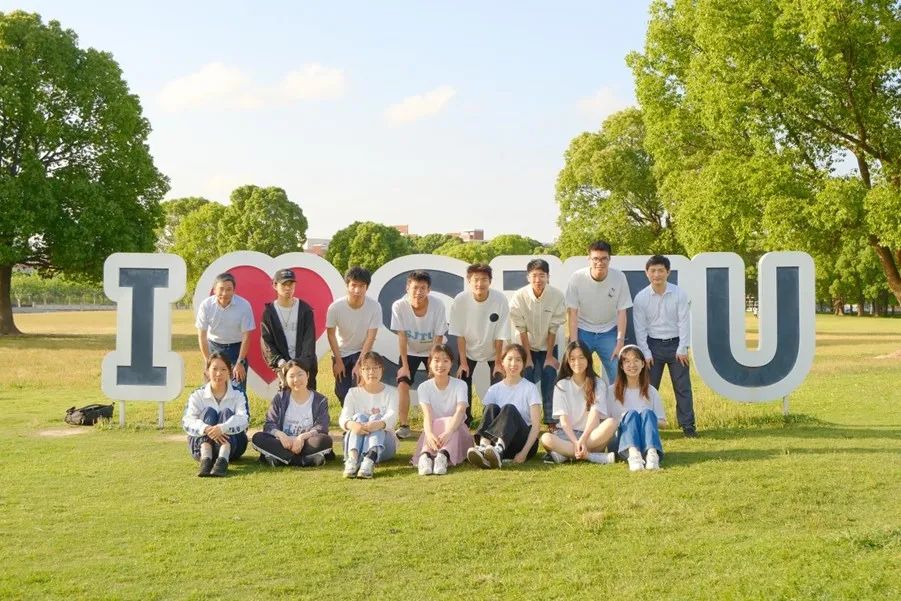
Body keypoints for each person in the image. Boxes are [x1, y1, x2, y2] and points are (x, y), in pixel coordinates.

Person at [633, 255, 697, 437]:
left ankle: (688, 426)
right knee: (649, 388)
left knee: (683, 387)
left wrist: (683, 347)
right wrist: (645, 352)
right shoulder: (641, 298)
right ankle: (647, 425)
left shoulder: (679, 294)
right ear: (646, 273)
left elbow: (684, 322)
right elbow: (640, 328)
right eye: (653, 271)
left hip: (676, 345)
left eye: (661, 270)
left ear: (668, 272)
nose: (657, 274)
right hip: (652, 346)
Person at [449, 263, 509, 425]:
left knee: (498, 383)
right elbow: (460, 334)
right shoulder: (460, 300)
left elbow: (501, 334)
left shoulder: (500, 299)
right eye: (476, 279)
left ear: (490, 281)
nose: (480, 283)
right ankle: (464, 420)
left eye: (484, 279)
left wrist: (498, 362)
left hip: (494, 351)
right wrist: (463, 362)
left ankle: (492, 421)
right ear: (469, 281)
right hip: (468, 349)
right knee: (463, 382)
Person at [509, 258, 566, 430]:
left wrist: (549, 356)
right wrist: (527, 358)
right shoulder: (519, 296)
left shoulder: (556, 295)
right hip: (526, 346)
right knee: (526, 381)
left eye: (542, 275)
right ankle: (526, 421)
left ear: (548, 277)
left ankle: (551, 421)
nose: (538, 280)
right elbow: (521, 329)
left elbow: (553, 328)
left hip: (549, 345)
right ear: (528, 277)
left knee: (550, 377)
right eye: (534, 276)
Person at [390, 270, 448, 440]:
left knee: (438, 384)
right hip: (410, 351)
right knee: (403, 383)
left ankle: (438, 423)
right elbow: (402, 336)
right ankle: (404, 426)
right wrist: (405, 366)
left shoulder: (438, 305)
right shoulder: (399, 306)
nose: (419, 292)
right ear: (407, 288)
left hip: (433, 349)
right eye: (415, 288)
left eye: (423, 288)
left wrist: (433, 361)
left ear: (429, 290)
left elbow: (438, 336)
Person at [565, 240, 632, 384]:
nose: (599, 262)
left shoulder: (619, 277)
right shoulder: (577, 278)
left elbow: (622, 311)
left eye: (603, 259)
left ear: (609, 259)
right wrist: (574, 343)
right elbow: (572, 313)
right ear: (589, 259)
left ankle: (617, 399)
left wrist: (620, 342)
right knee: (576, 373)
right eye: (595, 258)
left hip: (609, 331)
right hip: (583, 331)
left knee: (618, 374)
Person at [539, 341, 617, 465]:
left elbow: (594, 415)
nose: (577, 362)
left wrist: (583, 439)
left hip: (591, 435)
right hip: (566, 435)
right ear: (567, 362)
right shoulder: (561, 385)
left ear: (588, 359)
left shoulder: (598, 383)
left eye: (581, 357)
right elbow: (564, 421)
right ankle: (590, 456)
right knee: (546, 438)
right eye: (572, 359)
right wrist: (576, 442)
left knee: (611, 423)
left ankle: (565, 455)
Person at [466, 344, 542, 469]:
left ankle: (499, 449)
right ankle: (484, 447)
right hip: (494, 445)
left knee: (509, 408)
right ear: (502, 362)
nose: (513, 364)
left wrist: (524, 453)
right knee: (491, 407)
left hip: (521, 444)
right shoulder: (494, 389)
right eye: (510, 359)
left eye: (518, 360)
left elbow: (536, 426)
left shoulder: (530, 388)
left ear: (523, 364)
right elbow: (488, 418)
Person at [251, 359, 334, 467]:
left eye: (300, 374)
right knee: (258, 438)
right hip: (284, 443)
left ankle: (280, 458)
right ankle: (304, 460)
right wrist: (282, 436)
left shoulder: (320, 400)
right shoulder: (280, 398)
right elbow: (269, 424)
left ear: (307, 375)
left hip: (307, 442)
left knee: (324, 441)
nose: (296, 380)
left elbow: (321, 426)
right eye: (291, 376)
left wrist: (301, 438)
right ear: (285, 379)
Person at [195, 272, 255, 413]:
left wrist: (240, 361)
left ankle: (241, 423)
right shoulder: (206, 305)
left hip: (236, 349)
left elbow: (247, 336)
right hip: (214, 347)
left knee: (238, 389)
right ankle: (211, 421)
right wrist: (208, 362)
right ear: (214, 289)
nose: (224, 293)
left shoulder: (243, 305)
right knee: (212, 388)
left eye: (229, 289)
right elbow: (202, 336)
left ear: (234, 290)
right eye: (221, 289)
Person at [182, 352, 249, 477]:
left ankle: (223, 459)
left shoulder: (238, 394)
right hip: (200, 448)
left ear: (229, 372)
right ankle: (206, 460)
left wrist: (222, 428)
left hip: (233, 448)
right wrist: (206, 428)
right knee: (209, 412)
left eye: (223, 369)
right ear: (207, 371)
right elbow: (187, 421)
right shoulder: (197, 394)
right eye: (214, 369)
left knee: (226, 413)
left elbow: (244, 419)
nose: (218, 373)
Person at [412, 344, 474, 476]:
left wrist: (449, 431)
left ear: (451, 364)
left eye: (445, 360)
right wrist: (429, 433)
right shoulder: (424, 387)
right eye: (436, 360)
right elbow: (427, 415)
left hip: (456, 429)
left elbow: (460, 411)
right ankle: (425, 457)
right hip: (434, 429)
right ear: (430, 363)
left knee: (450, 421)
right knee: (434, 424)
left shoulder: (460, 384)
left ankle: (443, 456)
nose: (441, 365)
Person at [606, 345, 667, 472]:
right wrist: (627, 419)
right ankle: (633, 456)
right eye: (627, 361)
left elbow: (663, 423)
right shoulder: (611, 391)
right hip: (620, 442)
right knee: (631, 414)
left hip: (645, 440)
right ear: (621, 366)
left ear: (643, 364)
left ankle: (652, 456)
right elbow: (605, 422)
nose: (632, 365)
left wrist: (645, 421)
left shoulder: (651, 391)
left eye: (636, 360)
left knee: (647, 413)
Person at [326, 266, 381, 406]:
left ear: (367, 287)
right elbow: (331, 334)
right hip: (341, 352)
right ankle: (348, 417)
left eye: (361, 286)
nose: (357, 290)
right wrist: (338, 361)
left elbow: (371, 337)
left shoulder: (374, 307)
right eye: (354, 285)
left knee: (359, 386)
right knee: (341, 392)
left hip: (361, 351)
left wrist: (360, 364)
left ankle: (361, 416)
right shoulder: (335, 307)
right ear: (347, 286)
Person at [339, 352, 399, 479]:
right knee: (359, 417)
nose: (372, 372)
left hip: (384, 445)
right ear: (361, 371)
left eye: (376, 368)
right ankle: (353, 460)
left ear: (382, 370)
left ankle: (369, 460)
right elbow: (344, 417)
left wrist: (378, 424)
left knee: (376, 418)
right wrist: (353, 425)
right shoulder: (353, 393)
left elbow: (392, 416)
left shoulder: (391, 392)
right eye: (367, 368)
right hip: (356, 443)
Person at [260, 269, 319, 390]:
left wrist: (300, 365)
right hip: (283, 365)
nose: (288, 288)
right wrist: (281, 363)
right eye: (284, 284)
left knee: (308, 397)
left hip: (305, 365)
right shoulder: (269, 313)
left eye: (291, 284)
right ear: (275, 285)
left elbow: (309, 340)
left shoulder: (305, 310)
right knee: (286, 398)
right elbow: (267, 342)